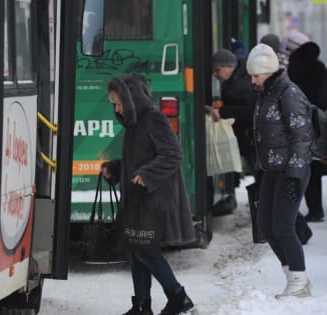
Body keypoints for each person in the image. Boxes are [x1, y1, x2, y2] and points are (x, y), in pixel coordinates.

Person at [101, 73, 196, 315]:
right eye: (114, 104)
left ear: (132, 100)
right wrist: (115, 168)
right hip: (138, 198)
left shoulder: (153, 119)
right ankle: (141, 305)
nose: (118, 109)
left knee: (145, 250)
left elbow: (173, 155)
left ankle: (178, 297)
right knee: (137, 249)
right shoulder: (134, 125)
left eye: (119, 103)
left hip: (155, 198)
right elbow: (139, 160)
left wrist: (147, 174)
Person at [246, 43, 313, 298]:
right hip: (271, 169)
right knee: (266, 225)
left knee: (283, 226)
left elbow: (301, 137)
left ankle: (299, 279)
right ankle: (294, 278)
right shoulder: (266, 93)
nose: (253, 80)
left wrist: (295, 176)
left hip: (291, 169)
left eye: (256, 75)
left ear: (268, 72)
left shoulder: (289, 93)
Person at [288, 41, 327, 222]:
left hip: (297, 120)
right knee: (315, 165)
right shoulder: (320, 68)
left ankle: (292, 210)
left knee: (298, 165)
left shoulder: (293, 68)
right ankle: (316, 209)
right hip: (317, 122)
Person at [206, 49, 257, 175]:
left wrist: (223, 112)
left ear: (230, 67)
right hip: (246, 136)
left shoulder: (243, 83)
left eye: (218, 70)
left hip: (249, 136)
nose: (215, 74)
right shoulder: (237, 79)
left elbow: (251, 110)